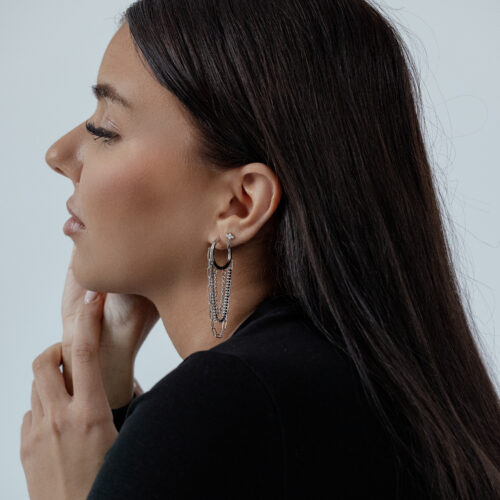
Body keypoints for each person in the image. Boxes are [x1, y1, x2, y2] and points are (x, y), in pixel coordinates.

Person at [39, 0, 500, 498]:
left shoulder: (213, 411)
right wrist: (107, 393)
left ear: (240, 204)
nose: (58, 155)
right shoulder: (389, 393)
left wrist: (72, 490)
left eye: (105, 129)